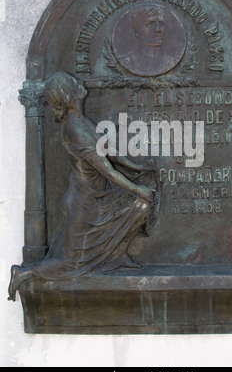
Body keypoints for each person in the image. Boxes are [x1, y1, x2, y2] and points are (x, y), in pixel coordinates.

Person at [8, 72, 158, 301]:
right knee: (70, 263)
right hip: (85, 205)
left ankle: (116, 256)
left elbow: (108, 151)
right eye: (73, 82)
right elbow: (107, 170)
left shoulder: (82, 121)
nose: (78, 82)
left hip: (98, 197)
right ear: (69, 94)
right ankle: (24, 272)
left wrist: (137, 168)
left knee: (142, 205)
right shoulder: (75, 131)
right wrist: (138, 188)